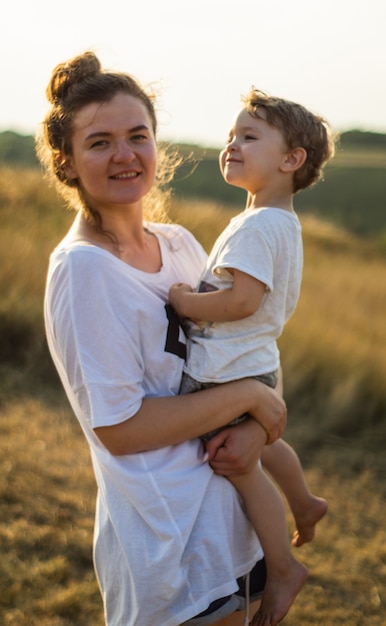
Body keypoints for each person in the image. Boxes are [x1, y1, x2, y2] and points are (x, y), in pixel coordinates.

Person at [38, 51, 289, 626]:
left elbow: (239, 348)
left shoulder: (177, 243)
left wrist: (253, 430)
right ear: (68, 162)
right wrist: (248, 401)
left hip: (234, 523)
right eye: (99, 142)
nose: (125, 155)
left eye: (137, 135)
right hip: (169, 541)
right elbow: (119, 430)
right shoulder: (82, 271)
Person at [169, 89, 336, 626]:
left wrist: (185, 303)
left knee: (236, 463)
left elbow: (242, 301)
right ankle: (304, 502)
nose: (231, 146)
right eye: (230, 137)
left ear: (292, 160)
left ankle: (282, 566)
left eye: (249, 137)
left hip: (226, 374)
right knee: (267, 445)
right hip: (255, 364)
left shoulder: (256, 225)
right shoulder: (280, 223)